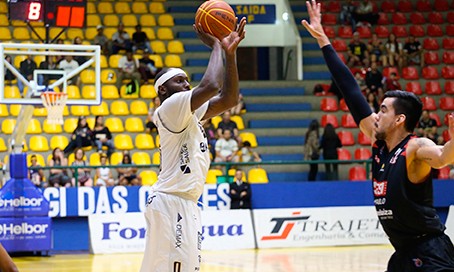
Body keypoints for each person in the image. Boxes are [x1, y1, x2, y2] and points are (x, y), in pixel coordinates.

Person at [302, 2, 454, 270]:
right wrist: (323, 39)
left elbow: (442, 157)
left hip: (430, 253)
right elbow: (349, 89)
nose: (375, 114)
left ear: (399, 119)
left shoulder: (415, 148)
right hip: (404, 253)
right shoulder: (380, 142)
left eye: (382, 110)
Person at [139, 17, 246, 272]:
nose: (187, 84)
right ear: (163, 90)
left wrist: (230, 54)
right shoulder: (170, 107)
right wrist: (218, 45)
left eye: (187, 81)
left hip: (185, 202)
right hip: (171, 201)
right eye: (180, 81)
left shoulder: (190, 113)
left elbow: (229, 99)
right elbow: (211, 85)